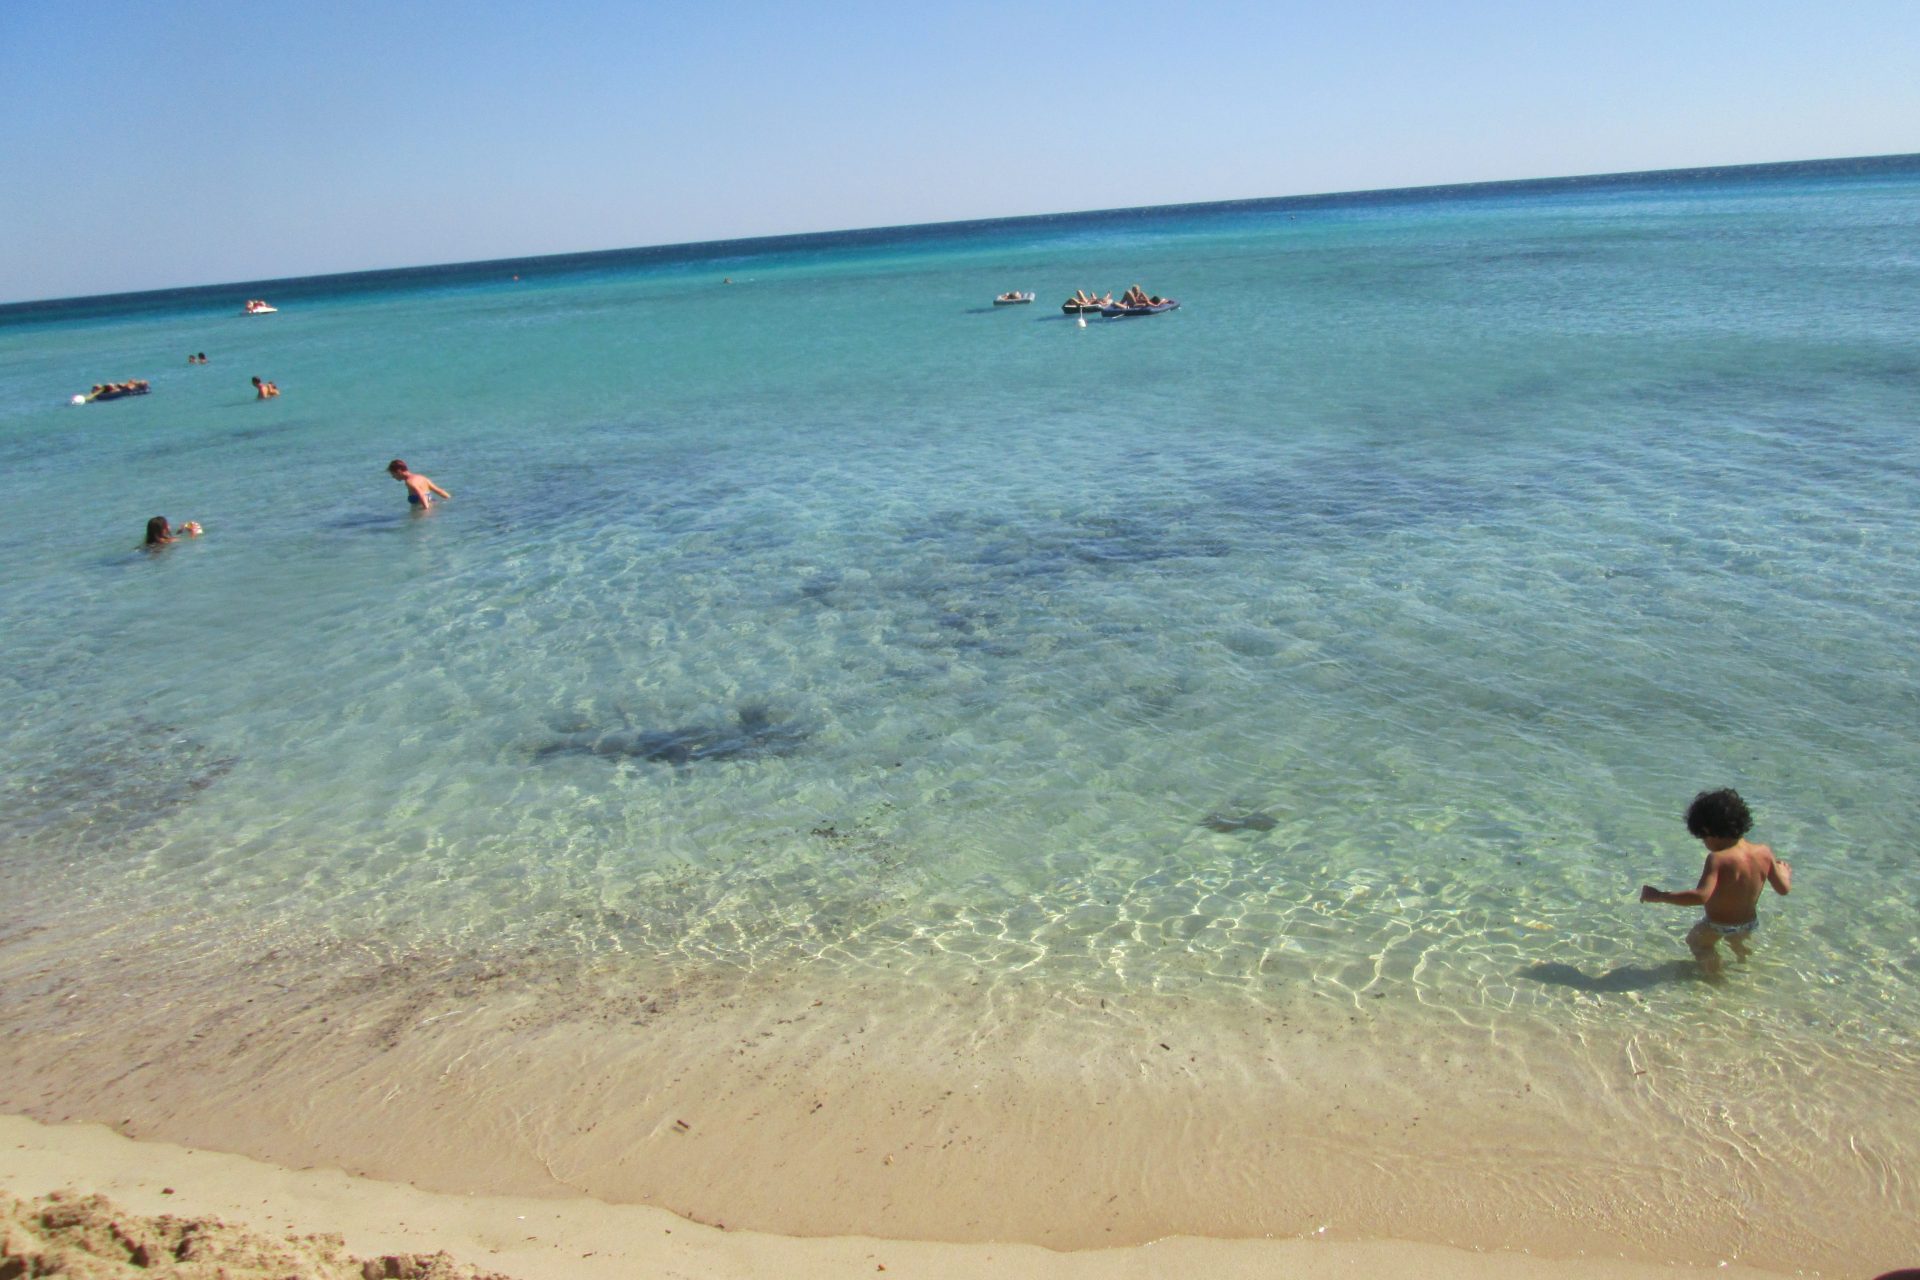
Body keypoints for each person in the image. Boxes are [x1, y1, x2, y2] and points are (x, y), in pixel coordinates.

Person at [1640, 788, 1791, 974]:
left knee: (1696, 943)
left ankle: (1714, 980)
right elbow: (1783, 889)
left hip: (1718, 924)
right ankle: (1745, 970)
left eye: (1703, 837)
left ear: (1708, 831)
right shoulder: (1764, 852)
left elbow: (1700, 896)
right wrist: (1784, 872)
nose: (1704, 842)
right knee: (1739, 946)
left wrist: (1661, 896)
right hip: (1749, 922)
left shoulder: (1718, 859)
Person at [387, 458, 452, 508]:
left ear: (399, 471)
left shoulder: (409, 482)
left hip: (424, 509)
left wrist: (426, 510)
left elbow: (421, 495)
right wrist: (450, 499)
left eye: (393, 474)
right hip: (433, 505)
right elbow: (438, 490)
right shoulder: (421, 477)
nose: (393, 477)